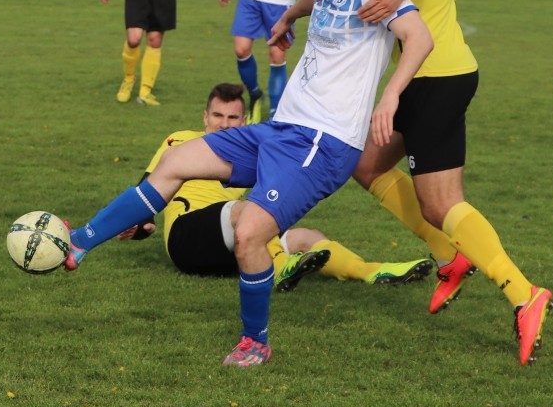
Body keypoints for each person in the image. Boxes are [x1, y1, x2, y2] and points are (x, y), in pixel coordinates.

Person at [64, 0, 434, 368]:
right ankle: (80, 241)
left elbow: (420, 38)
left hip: (322, 144)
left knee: (250, 237)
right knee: (175, 163)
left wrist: (391, 96)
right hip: (280, 130)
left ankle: (254, 342)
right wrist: (286, 20)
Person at [350, 0, 553, 366]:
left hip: (436, 75)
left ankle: (524, 294)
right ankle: (449, 257)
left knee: (442, 203)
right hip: (421, 76)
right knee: (366, 164)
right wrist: (290, 14)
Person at [117, 82, 434, 290]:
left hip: (233, 243)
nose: (223, 124)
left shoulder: (249, 151)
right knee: (247, 213)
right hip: (186, 239)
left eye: (232, 118)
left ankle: (371, 271)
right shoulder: (181, 141)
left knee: (309, 237)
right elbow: (146, 198)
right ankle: (282, 267)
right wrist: (140, 228)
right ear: (204, 117)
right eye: (217, 116)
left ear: (243, 122)